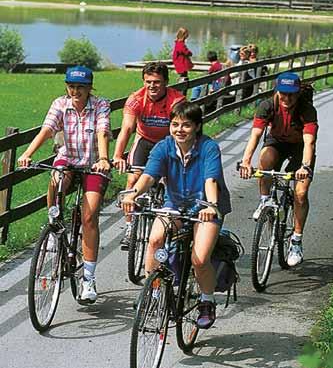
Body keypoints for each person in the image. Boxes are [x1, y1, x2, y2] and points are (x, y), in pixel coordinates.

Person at [122, 101, 231, 329]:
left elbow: (211, 179)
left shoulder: (209, 148)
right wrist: (132, 194)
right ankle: (153, 294)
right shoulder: (163, 147)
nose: (179, 130)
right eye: (175, 124)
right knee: (155, 240)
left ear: (198, 127)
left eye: (186, 125)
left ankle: (206, 301)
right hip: (174, 203)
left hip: (205, 205)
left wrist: (211, 206)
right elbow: (149, 176)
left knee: (199, 259)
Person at [18, 66, 111, 303]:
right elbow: (48, 129)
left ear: (90, 87)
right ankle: (53, 225)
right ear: (66, 86)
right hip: (68, 158)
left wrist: (103, 159)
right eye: (71, 86)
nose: (75, 91)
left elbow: (102, 131)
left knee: (89, 216)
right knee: (56, 177)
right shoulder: (60, 104)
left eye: (80, 86)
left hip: (92, 164)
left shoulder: (100, 105)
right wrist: (28, 153)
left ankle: (88, 279)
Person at [239, 71, 318, 267]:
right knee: (265, 159)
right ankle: (265, 200)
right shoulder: (268, 105)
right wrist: (246, 161)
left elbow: (310, 142)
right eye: (283, 93)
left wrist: (305, 167)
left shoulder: (307, 109)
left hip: (300, 147)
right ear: (277, 91)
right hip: (277, 142)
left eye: (291, 94)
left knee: (300, 193)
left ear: (298, 92)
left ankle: (296, 241)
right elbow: (256, 135)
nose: (287, 98)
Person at [113, 61, 185, 247]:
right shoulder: (136, 99)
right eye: (148, 81)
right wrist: (118, 155)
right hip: (144, 140)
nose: (152, 86)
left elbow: (182, 129)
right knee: (132, 180)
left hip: (168, 141)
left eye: (157, 82)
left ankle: (171, 222)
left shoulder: (176, 100)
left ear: (166, 82)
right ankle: (130, 228)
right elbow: (127, 128)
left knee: (171, 181)